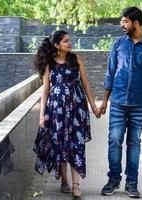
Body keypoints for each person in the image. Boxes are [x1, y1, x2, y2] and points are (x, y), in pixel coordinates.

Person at [100, 6, 142, 198]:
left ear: (136, 23)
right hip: (118, 101)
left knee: (134, 142)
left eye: (125, 21)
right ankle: (113, 179)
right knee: (114, 140)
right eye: (121, 21)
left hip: (139, 103)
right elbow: (110, 73)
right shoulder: (118, 44)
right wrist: (105, 100)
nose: (122, 24)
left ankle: (132, 183)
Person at [33, 30, 101, 198]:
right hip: (56, 112)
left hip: (77, 110)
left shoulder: (77, 60)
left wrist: (93, 106)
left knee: (76, 144)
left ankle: (76, 185)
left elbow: (86, 84)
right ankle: (64, 181)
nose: (70, 43)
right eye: (66, 41)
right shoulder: (50, 64)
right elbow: (45, 92)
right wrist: (42, 116)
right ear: (57, 45)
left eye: (69, 40)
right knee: (61, 144)